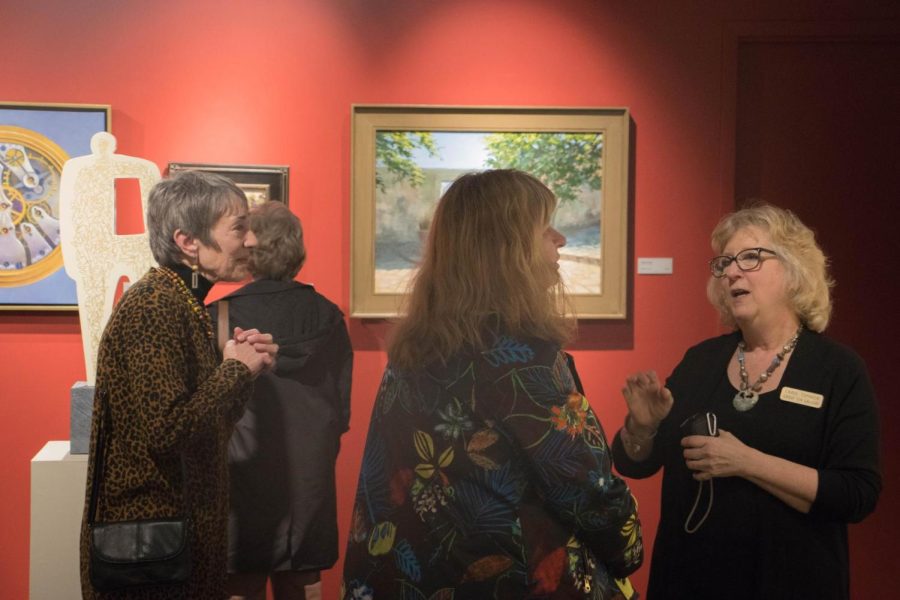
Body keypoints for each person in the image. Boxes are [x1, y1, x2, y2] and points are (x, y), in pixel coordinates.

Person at [342, 169, 643, 599]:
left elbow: (381, 482)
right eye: (545, 230)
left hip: (409, 576)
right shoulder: (523, 359)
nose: (561, 240)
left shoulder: (415, 349)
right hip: (506, 580)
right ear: (507, 249)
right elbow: (588, 492)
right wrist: (628, 548)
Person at [611, 203, 881, 599]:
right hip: (690, 579)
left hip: (793, 582)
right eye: (724, 263)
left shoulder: (837, 369)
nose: (732, 272)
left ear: (794, 270)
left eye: (751, 257)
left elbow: (857, 494)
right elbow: (636, 463)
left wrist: (747, 462)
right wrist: (643, 427)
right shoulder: (700, 360)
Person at [79, 170, 278, 599]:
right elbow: (168, 431)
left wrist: (241, 370)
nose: (250, 241)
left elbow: (203, 427)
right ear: (189, 242)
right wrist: (235, 371)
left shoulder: (180, 302)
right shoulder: (155, 306)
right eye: (238, 228)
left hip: (171, 546)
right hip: (151, 558)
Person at [209, 201, 353, 600]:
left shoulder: (220, 316)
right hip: (309, 477)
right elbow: (341, 409)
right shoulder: (328, 315)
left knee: (241, 583)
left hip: (242, 474)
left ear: (249, 248)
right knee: (303, 582)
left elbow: (209, 408)